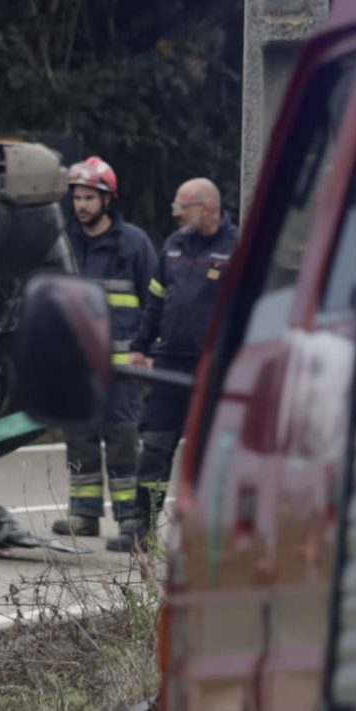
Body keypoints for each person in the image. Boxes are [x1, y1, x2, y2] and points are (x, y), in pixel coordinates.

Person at [122, 177, 238, 552]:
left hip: (213, 368)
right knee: (154, 446)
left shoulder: (236, 248)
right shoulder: (172, 246)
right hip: (169, 364)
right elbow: (155, 301)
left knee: (211, 453)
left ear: (206, 208)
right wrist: (140, 346)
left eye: (181, 206)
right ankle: (140, 529)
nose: (174, 212)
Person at [50, 156, 160, 542]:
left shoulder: (134, 244)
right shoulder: (64, 242)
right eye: (77, 198)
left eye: (89, 198)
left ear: (107, 200)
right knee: (79, 438)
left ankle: (131, 519)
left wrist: (148, 351)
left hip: (122, 367)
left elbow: (155, 300)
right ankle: (84, 514)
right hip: (78, 366)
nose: (81, 205)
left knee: (122, 440)